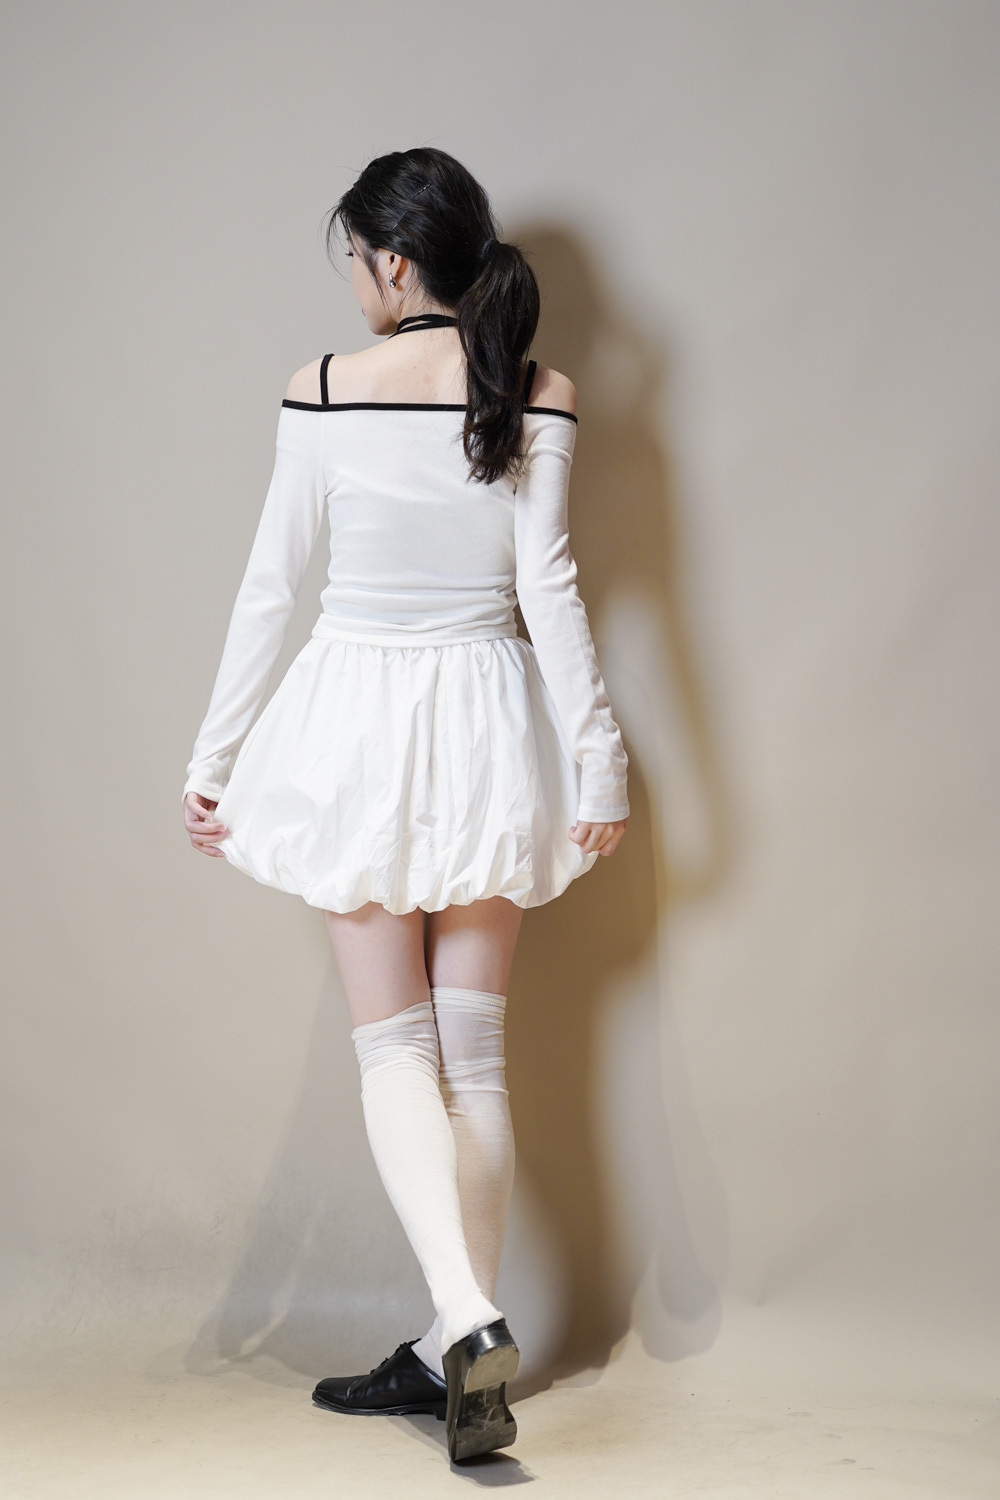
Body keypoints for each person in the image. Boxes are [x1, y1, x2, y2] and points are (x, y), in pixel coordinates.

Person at [181, 146, 630, 1464]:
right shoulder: (535, 391)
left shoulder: (327, 387)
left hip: (359, 733)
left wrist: (215, 756)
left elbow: (272, 586)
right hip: (491, 725)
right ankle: (451, 1352)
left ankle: (463, 1318)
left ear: (390, 261)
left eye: (356, 262)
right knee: (472, 1057)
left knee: (396, 1053)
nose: (356, 284)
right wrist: (598, 761)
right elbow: (549, 589)